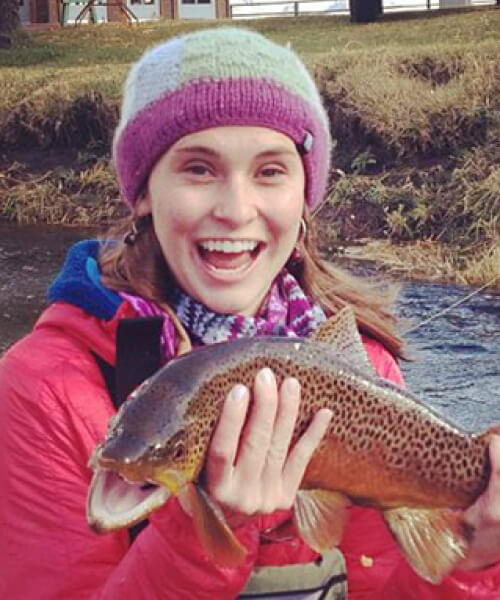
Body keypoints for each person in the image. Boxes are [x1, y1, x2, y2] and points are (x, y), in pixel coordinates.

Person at [1, 26, 500, 600]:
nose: (236, 210)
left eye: (269, 171)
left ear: (304, 198)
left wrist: (473, 561)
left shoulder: (367, 371)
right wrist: (204, 536)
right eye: (197, 169)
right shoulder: (45, 388)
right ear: (143, 192)